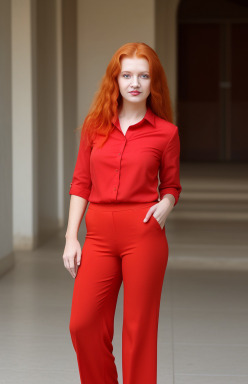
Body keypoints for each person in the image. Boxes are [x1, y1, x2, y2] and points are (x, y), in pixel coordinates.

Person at [63, 42, 182, 384]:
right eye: (127, 74)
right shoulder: (94, 127)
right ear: (114, 80)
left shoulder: (166, 133)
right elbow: (80, 183)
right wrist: (72, 238)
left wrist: (166, 204)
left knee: (138, 330)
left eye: (143, 76)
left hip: (143, 234)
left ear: (152, 82)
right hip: (98, 236)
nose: (135, 82)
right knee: (82, 324)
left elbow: (172, 184)